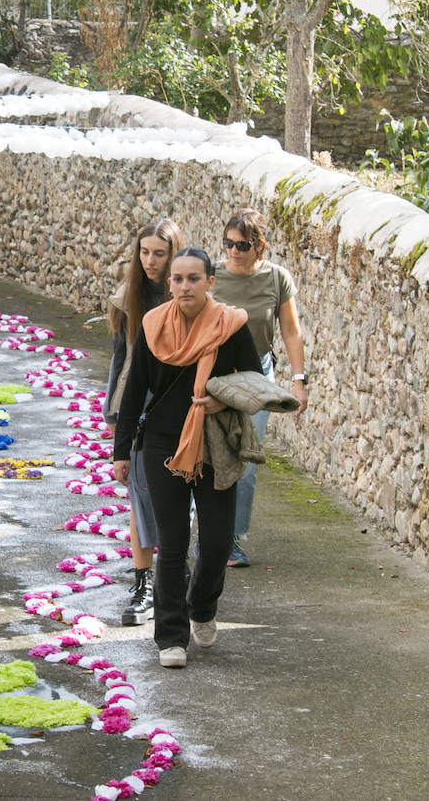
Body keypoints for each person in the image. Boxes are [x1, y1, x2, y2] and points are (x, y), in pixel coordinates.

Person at [113, 247, 261, 668]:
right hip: (161, 443)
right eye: (177, 279)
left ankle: (202, 607)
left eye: (193, 279)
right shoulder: (153, 324)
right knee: (173, 541)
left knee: (215, 542)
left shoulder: (231, 326)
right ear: (169, 284)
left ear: (210, 283)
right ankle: (171, 637)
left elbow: (253, 381)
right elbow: (135, 388)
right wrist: (121, 451)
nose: (183, 287)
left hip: (213, 443)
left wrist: (222, 398)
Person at [212, 209, 308, 567]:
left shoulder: (276, 278)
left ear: (259, 246)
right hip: (215, 376)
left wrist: (299, 381)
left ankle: (232, 539)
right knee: (209, 456)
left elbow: (291, 332)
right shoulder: (212, 276)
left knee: (247, 462)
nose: (234, 250)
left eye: (242, 245)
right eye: (229, 243)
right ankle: (205, 534)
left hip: (258, 378)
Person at [103, 217, 185, 626]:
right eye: (145, 252)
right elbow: (120, 358)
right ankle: (143, 582)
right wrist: (113, 413)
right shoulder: (128, 296)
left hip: (178, 405)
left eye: (159, 253)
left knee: (175, 493)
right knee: (138, 494)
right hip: (137, 405)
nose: (150, 261)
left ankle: (176, 569)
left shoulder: (185, 293)